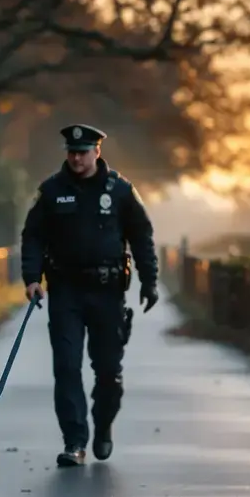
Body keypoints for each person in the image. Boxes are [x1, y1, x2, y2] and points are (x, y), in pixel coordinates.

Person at [19, 123, 159, 468]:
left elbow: (142, 237)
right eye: (72, 152)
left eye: (83, 152)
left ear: (97, 151)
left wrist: (150, 281)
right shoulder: (52, 191)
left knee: (108, 371)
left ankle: (104, 424)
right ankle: (74, 442)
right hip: (66, 292)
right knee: (66, 367)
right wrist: (32, 278)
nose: (77, 158)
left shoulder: (121, 191)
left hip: (108, 293)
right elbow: (33, 235)